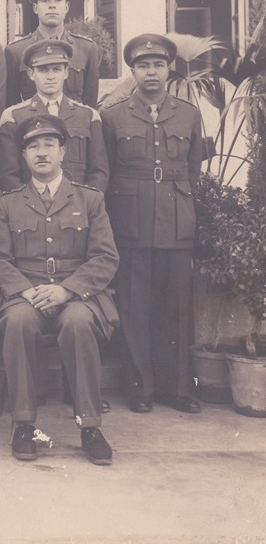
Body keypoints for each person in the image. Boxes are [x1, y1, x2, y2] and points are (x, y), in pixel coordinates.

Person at [0, 115, 119, 465]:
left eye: (48, 145)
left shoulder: (90, 199)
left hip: (76, 295)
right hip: (25, 294)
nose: (41, 152)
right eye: (32, 146)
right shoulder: (9, 202)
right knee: (18, 322)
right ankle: (23, 424)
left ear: (63, 152)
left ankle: (90, 426)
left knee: (78, 323)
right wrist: (24, 290)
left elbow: (105, 257)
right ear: (23, 156)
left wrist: (67, 290)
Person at [101, 34, 203, 414]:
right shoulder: (113, 116)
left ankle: (176, 389)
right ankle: (139, 388)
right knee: (134, 307)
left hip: (176, 220)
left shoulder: (188, 115)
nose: (151, 72)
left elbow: (193, 171)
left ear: (169, 68)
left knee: (175, 307)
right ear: (132, 70)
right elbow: (107, 171)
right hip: (131, 220)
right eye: (143, 65)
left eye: (158, 64)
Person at [0, 39, 108, 192]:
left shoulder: (88, 116)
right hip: (30, 203)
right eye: (42, 70)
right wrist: (28, 203)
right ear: (31, 74)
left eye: (56, 69)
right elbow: (8, 175)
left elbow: (98, 172)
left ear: (66, 73)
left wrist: (85, 201)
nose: (50, 76)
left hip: (78, 202)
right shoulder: (13, 117)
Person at [4, 0, 100, 108]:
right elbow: (12, 107)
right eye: (45, 0)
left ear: (66, 7)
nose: (52, 5)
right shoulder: (16, 51)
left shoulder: (86, 49)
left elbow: (90, 106)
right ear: (35, 8)